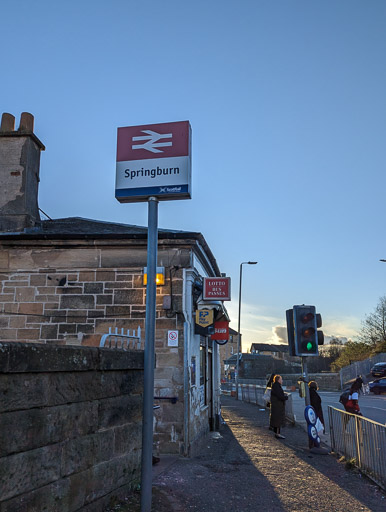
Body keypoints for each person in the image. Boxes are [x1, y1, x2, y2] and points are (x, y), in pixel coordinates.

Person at [269, 374, 288, 439]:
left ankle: (276, 431)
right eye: (281, 379)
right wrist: (285, 397)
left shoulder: (275, 386)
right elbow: (280, 396)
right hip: (278, 405)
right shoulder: (277, 386)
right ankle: (278, 433)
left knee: (276, 418)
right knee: (278, 419)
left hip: (276, 405)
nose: (282, 381)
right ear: (278, 380)